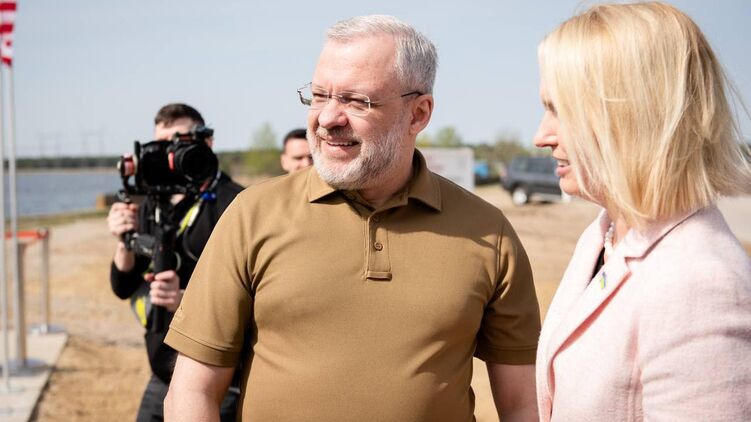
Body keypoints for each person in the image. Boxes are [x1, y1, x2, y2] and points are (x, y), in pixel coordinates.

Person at [164, 15, 541, 422]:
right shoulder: (252, 215)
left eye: (357, 101)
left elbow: (524, 404)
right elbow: (192, 391)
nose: (327, 118)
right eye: (319, 96)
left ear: (418, 114)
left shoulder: (488, 233)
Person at [533, 3, 751, 421]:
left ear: (633, 115)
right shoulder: (604, 234)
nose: (541, 136)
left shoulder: (700, 284)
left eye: (560, 110)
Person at [107, 103, 244, 421]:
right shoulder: (153, 200)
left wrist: (185, 300)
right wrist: (124, 240)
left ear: (206, 141)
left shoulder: (237, 203)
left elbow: (250, 299)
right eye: (161, 144)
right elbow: (122, 286)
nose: (168, 154)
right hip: (163, 371)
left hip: (219, 379)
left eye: (177, 142)